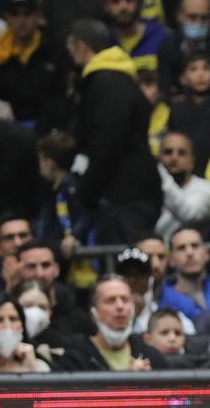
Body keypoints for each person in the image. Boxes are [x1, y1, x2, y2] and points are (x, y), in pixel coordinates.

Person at [65, 18, 163, 244]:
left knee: (126, 266)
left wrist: (87, 192)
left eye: (71, 49)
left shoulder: (106, 83)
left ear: (81, 46)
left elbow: (108, 143)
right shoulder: (117, 79)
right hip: (130, 189)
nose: (71, 57)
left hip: (125, 194)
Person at [61, 275, 168, 370]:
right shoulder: (75, 358)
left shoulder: (149, 354)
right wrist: (129, 380)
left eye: (125, 300)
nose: (120, 306)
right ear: (94, 312)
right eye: (111, 300)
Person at [160, 226, 210, 327]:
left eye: (195, 246)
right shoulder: (161, 298)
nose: (189, 253)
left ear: (206, 253)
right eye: (181, 248)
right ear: (171, 259)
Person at [156, 131, 210, 239]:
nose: (174, 157)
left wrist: (159, 170)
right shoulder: (149, 190)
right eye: (168, 152)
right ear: (159, 157)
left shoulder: (207, 189)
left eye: (181, 153)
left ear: (192, 161)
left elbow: (188, 214)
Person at [0, 293, 50, 373]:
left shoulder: (39, 367)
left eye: (13, 319)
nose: (7, 326)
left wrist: (32, 371)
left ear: (22, 324)